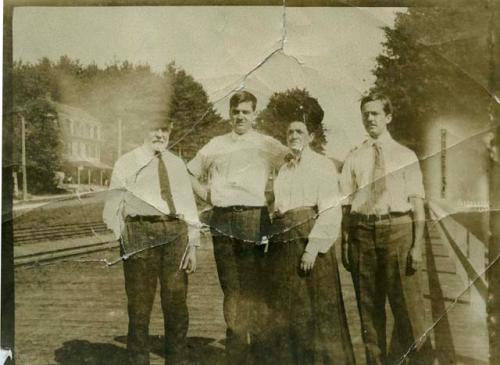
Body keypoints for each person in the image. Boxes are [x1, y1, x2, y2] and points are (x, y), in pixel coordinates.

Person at [187, 91, 289, 364]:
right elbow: (189, 172)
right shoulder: (215, 144)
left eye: (246, 112)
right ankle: (236, 353)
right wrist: (209, 197)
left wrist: (271, 198)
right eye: (236, 112)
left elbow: (292, 167)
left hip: (255, 219)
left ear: (254, 115)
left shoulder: (266, 144)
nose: (240, 116)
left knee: (254, 287)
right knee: (231, 288)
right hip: (222, 220)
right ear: (229, 114)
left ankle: (258, 351)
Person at [340, 92, 429, 365]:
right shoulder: (354, 158)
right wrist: (345, 242)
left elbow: (417, 205)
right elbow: (346, 205)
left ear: (388, 117)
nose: (370, 118)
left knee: (408, 309)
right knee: (369, 309)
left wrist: (417, 245)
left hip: (398, 232)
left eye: (376, 113)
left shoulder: (405, 155)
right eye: (366, 114)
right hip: (362, 233)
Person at [103, 118, 200, 365]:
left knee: (176, 305)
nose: (159, 134)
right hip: (140, 234)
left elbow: (189, 206)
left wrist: (193, 245)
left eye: (164, 129)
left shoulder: (177, 164)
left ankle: (176, 361)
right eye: (154, 129)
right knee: (139, 307)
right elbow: (112, 206)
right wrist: (123, 237)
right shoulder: (126, 162)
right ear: (143, 129)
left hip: (175, 234)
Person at [267, 121, 356, 365]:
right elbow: (280, 207)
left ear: (310, 137)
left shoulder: (322, 164)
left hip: (309, 240)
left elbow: (330, 210)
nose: (294, 135)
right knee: (291, 307)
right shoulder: (284, 168)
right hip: (285, 243)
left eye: (299, 132)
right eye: (290, 131)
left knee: (317, 307)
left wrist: (311, 250)